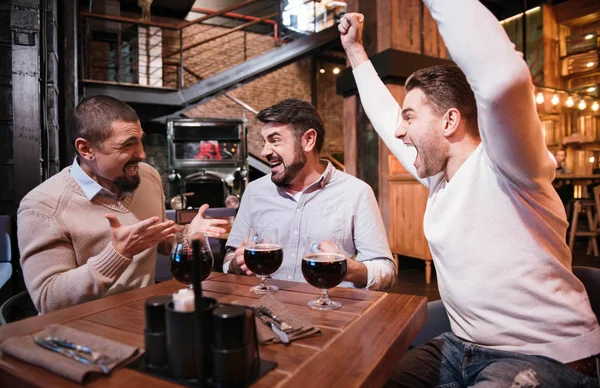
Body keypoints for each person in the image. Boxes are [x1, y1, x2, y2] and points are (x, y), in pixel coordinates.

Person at [339, 1, 599, 386]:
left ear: (450, 120)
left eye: (409, 117)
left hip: (543, 356)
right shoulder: (438, 176)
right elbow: (383, 117)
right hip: (462, 347)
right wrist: (355, 50)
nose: (399, 130)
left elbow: (500, 77)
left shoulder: (508, 164)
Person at [17, 95, 226, 314]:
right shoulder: (42, 205)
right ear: (86, 149)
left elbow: (158, 240)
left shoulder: (148, 177)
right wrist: (118, 253)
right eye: (127, 145)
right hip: (81, 330)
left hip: (143, 314)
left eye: (140, 140)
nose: (142, 154)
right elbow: (49, 299)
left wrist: (185, 234)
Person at [223, 98, 397, 291]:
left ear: (308, 140)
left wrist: (349, 269)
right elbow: (230, 259)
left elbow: (386, 271)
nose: (264, 151)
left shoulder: (356, 192)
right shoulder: (254, 192)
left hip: (327, 314)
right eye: (265, 142)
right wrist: (236, 264)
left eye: (275, 140)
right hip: (265, 309)